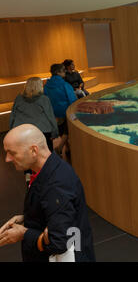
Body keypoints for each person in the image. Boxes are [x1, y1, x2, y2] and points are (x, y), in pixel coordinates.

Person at [0, 124, 95, 262]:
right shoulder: (51, 167)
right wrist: (27, 218)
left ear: (34, 150)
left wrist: (24, 234)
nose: (7, 159)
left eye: (12, 153)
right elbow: (54, 210)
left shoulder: (56, 186)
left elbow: (60, 242)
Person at [9, 77, 59, 185]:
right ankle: (46, 178)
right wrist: (55, 132)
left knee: (26, 155)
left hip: (23, 133)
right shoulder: (44, 99)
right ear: (39, 86)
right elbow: (50, 117)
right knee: (45, 156)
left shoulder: (18, 98)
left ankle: (28, 176)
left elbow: (12, 116)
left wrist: (11, 131)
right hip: (42, 131)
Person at [44, 63, 77, 160]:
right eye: (63, 70)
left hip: (54, 113)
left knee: (63, 130)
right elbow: (72, 100)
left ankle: (66, 147)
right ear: (58, 72)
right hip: (66, 111)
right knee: (70, 126)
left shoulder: (46, 86)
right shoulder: (65, 84)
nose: (65, 72)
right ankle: (61, 147)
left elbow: (46, 100)